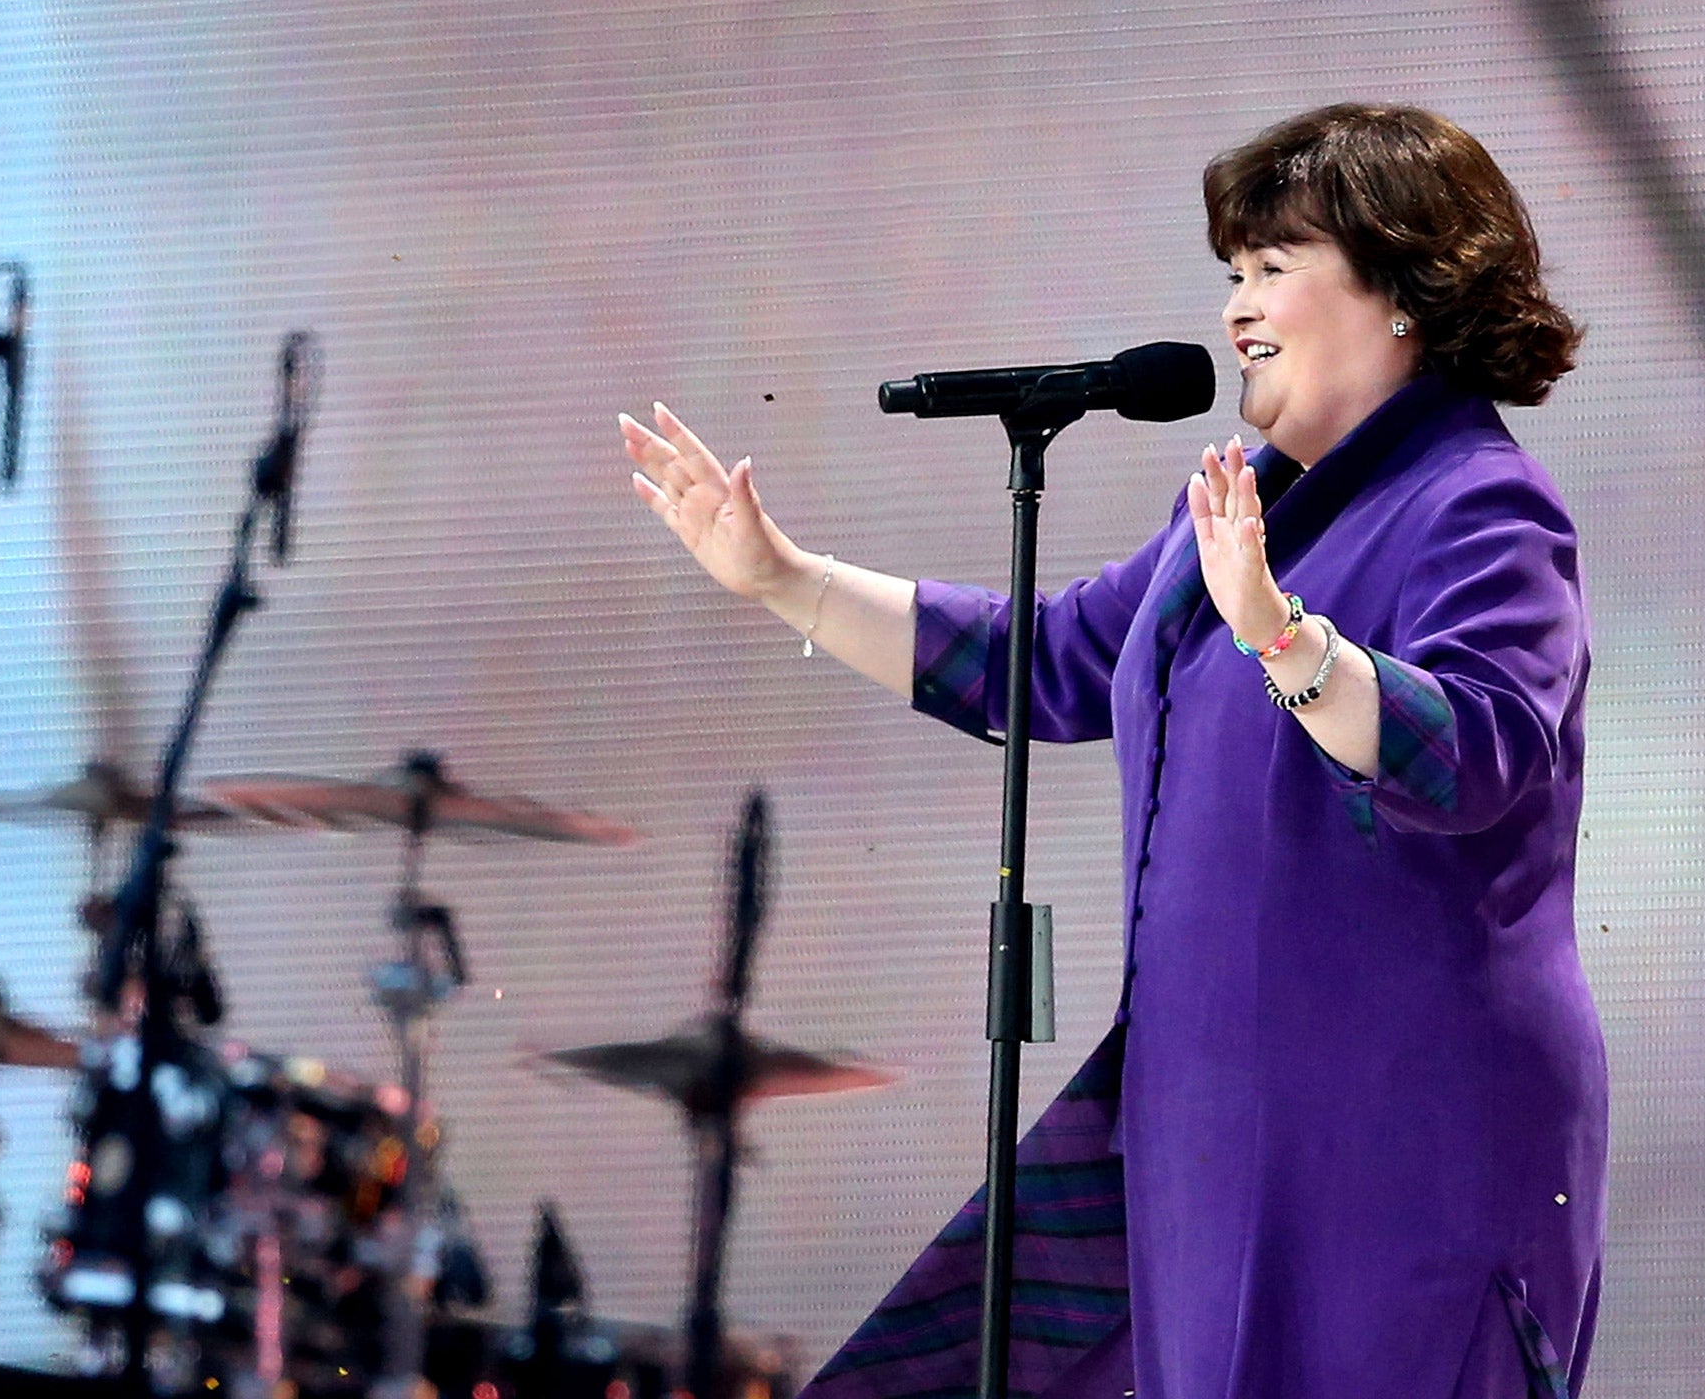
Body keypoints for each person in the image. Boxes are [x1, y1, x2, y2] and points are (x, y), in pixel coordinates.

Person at [620, 103, 1604, 1399]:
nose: (1237, 309)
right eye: (1230, 275)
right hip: (1210, 1141)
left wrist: (1285, 638)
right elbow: (1050, 657)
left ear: (1405, 291)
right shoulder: (1252, 507)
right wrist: (786, 581)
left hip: (1399, 1152)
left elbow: (1476, 750)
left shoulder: (1479, 501)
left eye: (1272, 268)